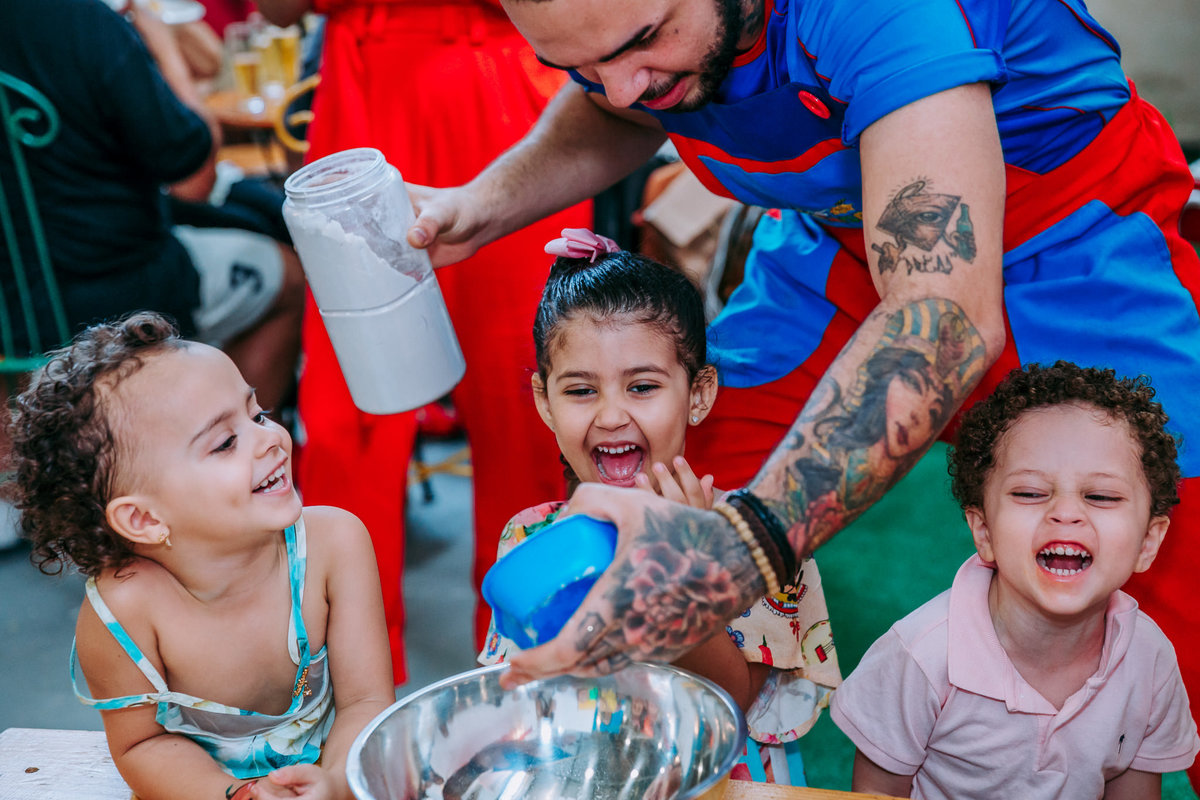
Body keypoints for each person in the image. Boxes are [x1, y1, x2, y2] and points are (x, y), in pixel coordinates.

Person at [402, 1, 1200, 785]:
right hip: (840, 244)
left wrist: (745, 548)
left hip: (1071, 246)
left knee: (1176, 544)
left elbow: (943, 319)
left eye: (644, 40)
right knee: (667, 479)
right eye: (579, 67)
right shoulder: (634, 65)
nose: (619, 87)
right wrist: (479, 205)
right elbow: (619, 110)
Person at [253, 0, 593, 685]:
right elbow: (277, 10)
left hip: (507, 93)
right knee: (346, 414)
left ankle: (528, 664)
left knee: (528, 399)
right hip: (365, 95)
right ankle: (345, 678)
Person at [476, 229, 842, 784]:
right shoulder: (529, 538)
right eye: (580, 391)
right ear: (544, 402)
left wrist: (678, 576)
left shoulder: (755, 538)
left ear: (698, 393)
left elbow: (733, 701)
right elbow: (521, 697)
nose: (610, 416)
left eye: (642, 387)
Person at [8, 312, 395, 800]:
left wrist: (335, 783)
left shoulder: (334, 545)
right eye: (226, 442)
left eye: (257, 414)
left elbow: (367, 701)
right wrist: (235, 795)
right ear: (143, 518)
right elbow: (142, 746)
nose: (271, 438)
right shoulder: (123, 613)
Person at [830, 361, 1200, 799]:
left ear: (1148, 542)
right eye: (1030, 493)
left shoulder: (1149, 659)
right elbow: (876, 793)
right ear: (984, 532)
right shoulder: (922, 657)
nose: (1066, 512)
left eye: (1101, 496)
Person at [0, 0, 305, 415]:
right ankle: (222, 442)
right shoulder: (81, 20)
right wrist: (161, 44)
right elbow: (194, 180)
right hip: (118, 293)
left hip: (13, 310)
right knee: (290, 277)